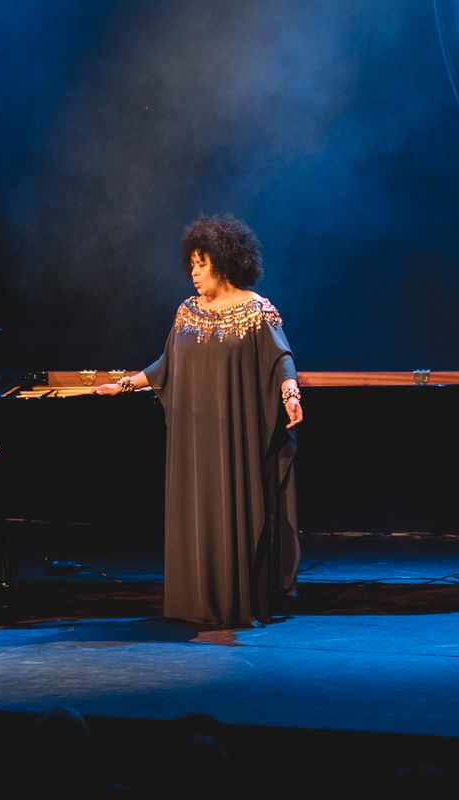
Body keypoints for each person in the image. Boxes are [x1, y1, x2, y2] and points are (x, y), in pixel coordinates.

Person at [95, 214, 302, 627]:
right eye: (191, 264)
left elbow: (281, 358)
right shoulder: (186, 312)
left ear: (223, 262)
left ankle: (235, 600)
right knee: (196, 510)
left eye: (200, 263)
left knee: (235, 509)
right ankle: (195, 603)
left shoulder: (256, 309)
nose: (193, 272)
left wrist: (290, 392)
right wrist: (124, 384)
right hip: (194, 438)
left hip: (235, 436)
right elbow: (166, 365)